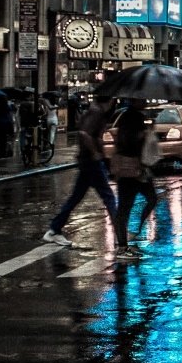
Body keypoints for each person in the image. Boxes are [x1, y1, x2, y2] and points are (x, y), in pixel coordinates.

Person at [43, 88, 119, 248]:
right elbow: (85, 134)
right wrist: (96, 153)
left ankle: (54, 229)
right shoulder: (97, 112)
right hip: (91, 161)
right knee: (108, 197)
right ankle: (120, 234)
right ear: (110, 100)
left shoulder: (95, 111)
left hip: (87, 161)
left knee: (76, 197)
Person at [107, 102, 160, 255]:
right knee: (125, 207)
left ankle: (133, 232)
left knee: (151, 198)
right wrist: (142, 136)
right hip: (131, 168)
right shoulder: (130, 117)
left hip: (138, 168)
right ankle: (122, 246)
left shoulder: (134, 116)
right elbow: (127, 142)